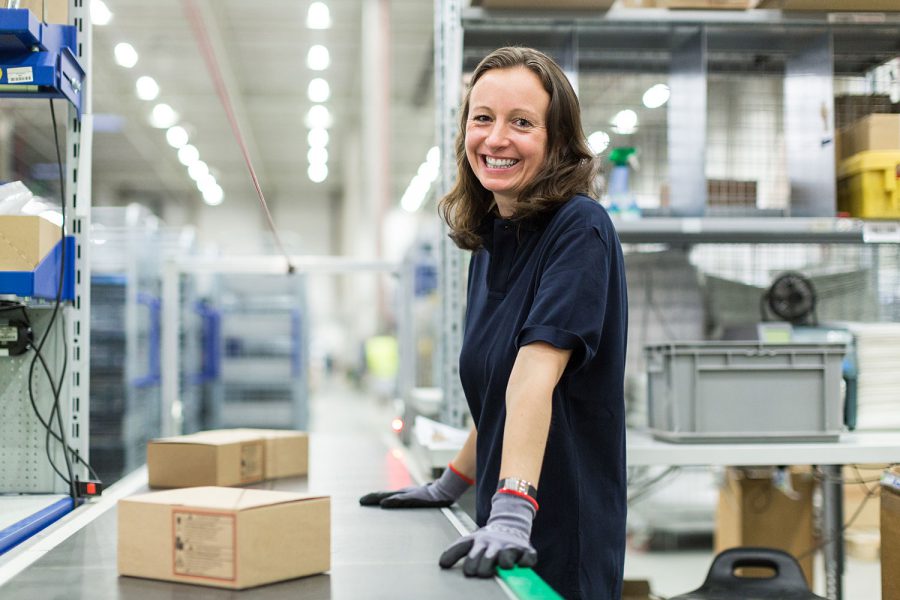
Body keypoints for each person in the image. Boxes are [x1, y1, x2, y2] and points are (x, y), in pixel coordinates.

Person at [360, 46, 628, 600]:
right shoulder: (491, 243)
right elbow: (500, 394)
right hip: (502, 528)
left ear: (557, 141)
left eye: (522, 122)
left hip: (554, 533)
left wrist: (511, 508)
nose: (496, 138)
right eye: (482, 118)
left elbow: (534, 375)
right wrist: (453, 482)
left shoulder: (580, 229)